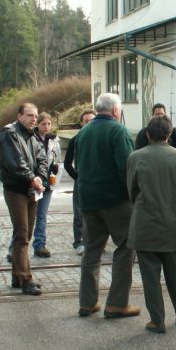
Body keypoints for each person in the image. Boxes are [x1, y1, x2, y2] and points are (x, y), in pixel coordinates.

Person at [73, 93, 139, 319]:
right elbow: (126, 168)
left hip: (88, 200)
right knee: (126, 248)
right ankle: (117, 304)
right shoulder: (118, 131)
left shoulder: (84, 132)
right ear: (115, 111)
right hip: (115, 201)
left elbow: (78, 165)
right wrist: (133, 195)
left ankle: (87, 302)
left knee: (92, 251)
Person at [127, 116, 176, 333]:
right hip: (174, 222)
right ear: (170, 133)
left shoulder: (136, 157)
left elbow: (131, 191)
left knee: (150, 276)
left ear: (147, 134)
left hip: (145, 223)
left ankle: (157, 320)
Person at [0, 103, 47, 296]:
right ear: (19, 116)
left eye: (35, 116)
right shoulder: (10, 134)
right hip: (16, 190)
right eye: (29, 115)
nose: (34, 119)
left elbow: (42, 159)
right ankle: (26, 279)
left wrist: (39, 177)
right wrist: (33, 179)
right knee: (22, 234)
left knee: (25, 235)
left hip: (32, 190)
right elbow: (15, 163)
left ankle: (18, 275)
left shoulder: (32, 136)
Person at [64, 109, 96, 256]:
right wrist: (77, 177)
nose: (89, 124)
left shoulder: (100, 138)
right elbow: (67, 164)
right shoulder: (75, 140)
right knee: (79, 213)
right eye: (86, 121)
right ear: (81, 123)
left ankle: (95, 241)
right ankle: (79, 241)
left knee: (98, 213)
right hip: (82, 181)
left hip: (98, 181)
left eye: (92, 121)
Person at [31, 112, 62, 258]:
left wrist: (54, 177)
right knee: (27, 215)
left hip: (48, 182)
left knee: (42, 215)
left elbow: (58, 161)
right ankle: (15, 246)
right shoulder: (31, 138)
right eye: (43, 124)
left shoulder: (54, 141)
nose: (46, 127)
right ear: (38, 125)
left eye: (49, 124)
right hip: (34, 181)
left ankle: (40, 244)